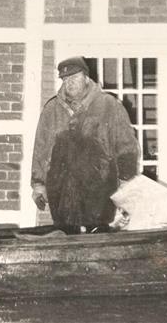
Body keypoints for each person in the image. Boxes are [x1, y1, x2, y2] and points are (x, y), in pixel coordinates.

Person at [31, 56, 140, 233]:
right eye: (65, 79)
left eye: (74, 77)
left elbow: (126, 146)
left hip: (100, 188)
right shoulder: (52, 110)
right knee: (66, 236)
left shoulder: (109, 105)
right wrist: (38, 184)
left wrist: (126, 182)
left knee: (99, 237)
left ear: (87, 77)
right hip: (61, 188)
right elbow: (41, 148)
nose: (69, 83)